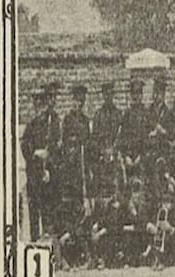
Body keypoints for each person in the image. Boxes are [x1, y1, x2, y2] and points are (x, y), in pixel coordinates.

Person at [23, 87, 60, 239]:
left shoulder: (50, 124)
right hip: (33, 171)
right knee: (33, 205)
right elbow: (25, 145)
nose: (38, 106)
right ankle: (34, 238)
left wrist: (48, 167)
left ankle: (47, 238)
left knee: (47, 205)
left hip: (47, 170)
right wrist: (34, 153)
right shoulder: (30, 125)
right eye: (35, 103)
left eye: (41, 102)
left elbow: (55, 145)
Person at [59, 84, 91, 234]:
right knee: (69, 200)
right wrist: (71, 147)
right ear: (73, 100)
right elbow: (64, 142)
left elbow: (88, 142)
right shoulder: (67, 119)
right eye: (77, 100)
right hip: (69, 166)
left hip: (81, 165)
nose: (79, 103)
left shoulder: (85, 120)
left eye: (82, 101)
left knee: (80, 201)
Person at [91, 82, 122, 199]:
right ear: (103, 96)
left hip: (115, 158)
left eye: (110, 94)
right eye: (106, 94)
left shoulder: (118, 114)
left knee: (116, 190)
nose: (108, 97)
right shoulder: (98, 115)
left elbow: (121, 136)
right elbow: (94, 138)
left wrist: (114, 150)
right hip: (102, 159)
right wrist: (103, 151)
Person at [118, 79, 149, 186]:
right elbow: (122, 137)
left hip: (142, 158)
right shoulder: (127, 114)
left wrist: (141, 156)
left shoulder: (146, 113)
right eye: (134, 93)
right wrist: (126, 156)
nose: (136, 96)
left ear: (142, 95)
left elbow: (148, 138)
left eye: (139, 93)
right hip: (129, 158)